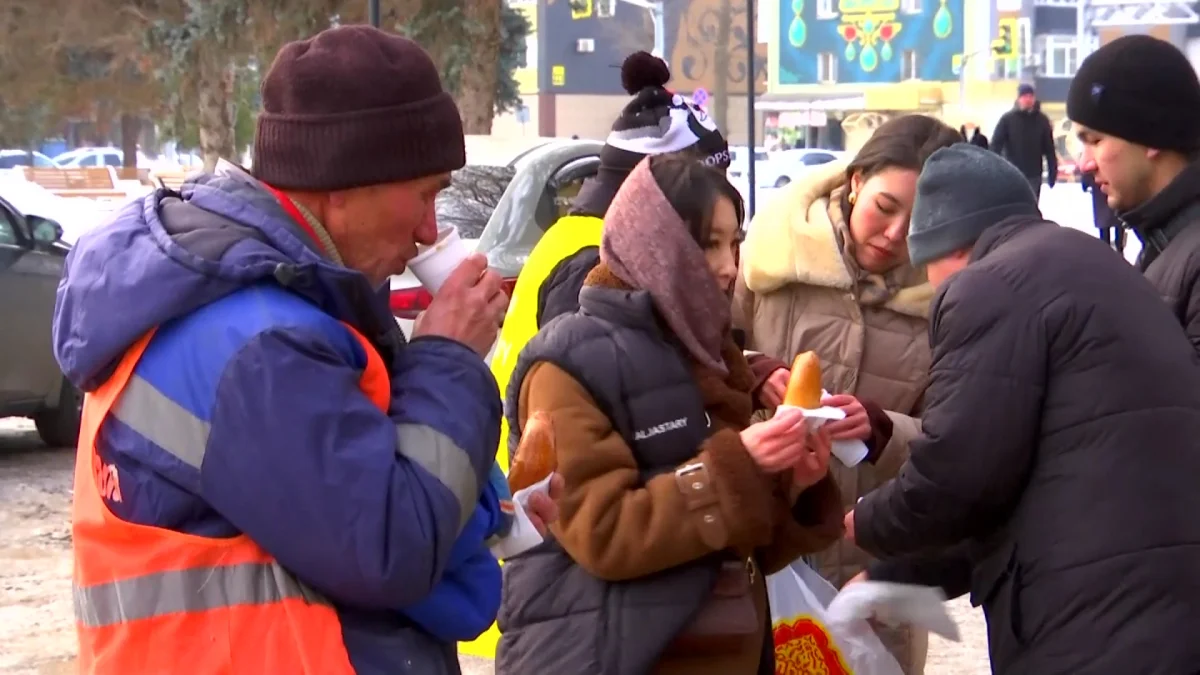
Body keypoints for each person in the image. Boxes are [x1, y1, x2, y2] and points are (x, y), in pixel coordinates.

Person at [54, 26, 557, 674]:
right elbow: (390, 544)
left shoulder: (285, 309)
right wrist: (448, 358)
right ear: (340, 183)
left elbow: (331, 502)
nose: (431, 230)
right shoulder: (256, 345)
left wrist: (496, 516)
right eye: (426, 193)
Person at [845, 143, 1200, 674]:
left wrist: (860, 523)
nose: (933, 288)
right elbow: (1017, 485)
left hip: (1091, 622)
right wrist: (894, 575)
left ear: (951, 248)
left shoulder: (989, 286)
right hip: (1160, 603)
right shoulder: (1089, 266)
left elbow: (959, 473)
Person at [496, 155, 844, 675]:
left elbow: (733, 549)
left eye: (734, 243)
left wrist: (793, 484)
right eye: (708, 243)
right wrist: (738, 466)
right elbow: (601, 532)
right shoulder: (568, 360)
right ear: (655, 243)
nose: (729, 266)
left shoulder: (709, 352)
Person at [732, 113, 961, 675]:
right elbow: (702, 366)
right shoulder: (771, 255)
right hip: (767, 545)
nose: (895, 233)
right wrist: (752, 369)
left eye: (919, 218)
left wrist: (885, 429)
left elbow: (957, 440)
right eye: (885, 208)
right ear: (856, 181)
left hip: (873, 560)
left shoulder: (953, 295)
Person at [489, 50, 730, 468]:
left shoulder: (578, 233)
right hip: (532, 497)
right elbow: (591, 419)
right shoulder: (593, 263)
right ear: (656, 194)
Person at [1067, 34, 1200, 349]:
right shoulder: (1164, 241)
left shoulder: (1191, 255)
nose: (1085, 163)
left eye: (1095, 141)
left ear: (1152, 136)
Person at [991, 83, 1057, 199]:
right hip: (1012, 173)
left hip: (1034, 174)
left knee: (1031, 205)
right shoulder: (1008, 119)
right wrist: (994, 169)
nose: (1028, 99)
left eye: (1030, 96)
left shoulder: (1042, 120)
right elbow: (996, 145)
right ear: (1019, 98)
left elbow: (1049, 148)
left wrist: (1053, 171)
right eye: (1024, 96)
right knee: (1014, 206)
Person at [1081, 169, 1123, 253]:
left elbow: (1087, 170)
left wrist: (1085, 184)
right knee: (1118, 219)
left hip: (1099, 188)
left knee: (1103, 221)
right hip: (1116, 185)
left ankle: (1107, 249)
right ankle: (1119, 247)